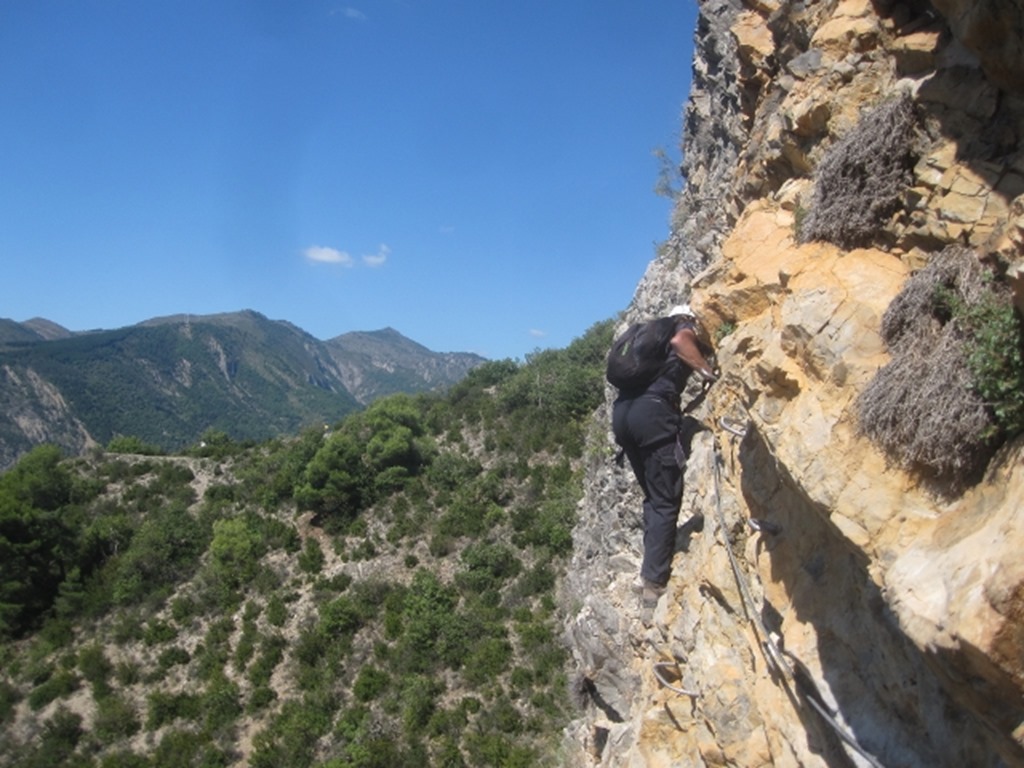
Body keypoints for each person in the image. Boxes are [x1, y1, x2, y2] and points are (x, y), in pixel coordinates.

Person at [611, 304, 717, 609]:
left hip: (624, 416)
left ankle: (649, 568)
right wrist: (707, 372)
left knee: (653, 496)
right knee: (665, 500)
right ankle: (654, 584)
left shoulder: (648, 339)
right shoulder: (681, 328)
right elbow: (681, 342)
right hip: (654, 414)